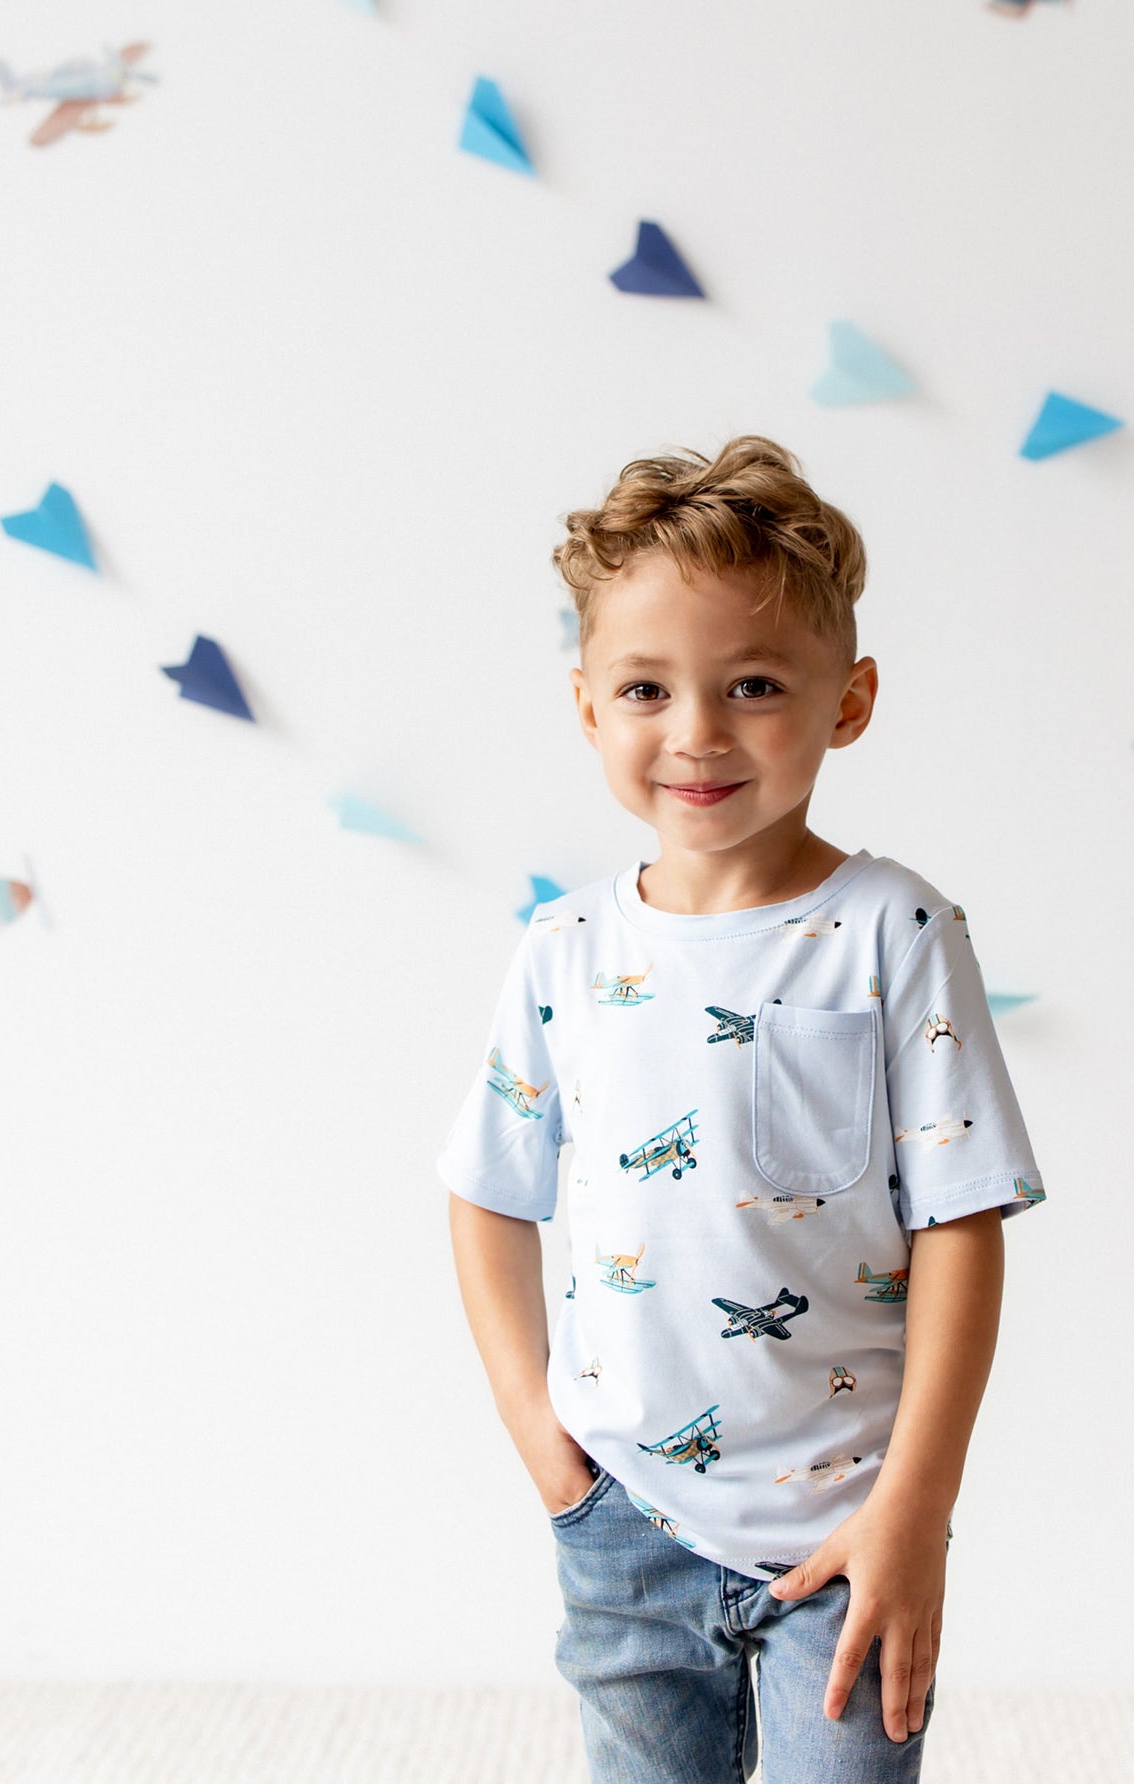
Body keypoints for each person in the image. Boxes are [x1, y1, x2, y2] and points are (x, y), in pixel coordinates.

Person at [440, 434, 1046, 1783]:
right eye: (646, 688)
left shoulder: (895, 930)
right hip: (622, 1520)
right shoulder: (564, 950)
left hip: (852, 1528)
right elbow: (487, 1193)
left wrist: (917, 1506)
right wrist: (543, 1441)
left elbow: (961, 1224)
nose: (699, 733)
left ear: (850, 700)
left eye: (755, 685)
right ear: (588, 707)